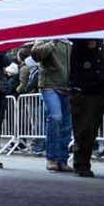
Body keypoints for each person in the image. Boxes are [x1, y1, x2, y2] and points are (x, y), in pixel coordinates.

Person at [68, 38, 104, 179]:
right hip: (89, 85)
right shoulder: (86, 26)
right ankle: (81, 163)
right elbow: (71, 36)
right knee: (86, 127)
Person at [31, 39, 74, 172]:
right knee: (55, 117)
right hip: (49, 85)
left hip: (67, 87)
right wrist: (53, 41)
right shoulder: (47, 36)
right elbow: (36, 54)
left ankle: (62, 160)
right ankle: (51, 158)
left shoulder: (72, 39)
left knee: (67, 125)